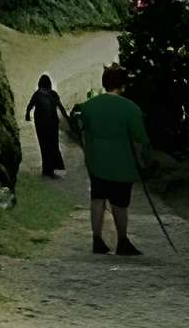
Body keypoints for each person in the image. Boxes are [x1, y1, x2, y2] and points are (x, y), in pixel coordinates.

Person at [74, 64, 150, 256]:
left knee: (97, 198)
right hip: (122, 163)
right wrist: (143, 161)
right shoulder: (131, 109)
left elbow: (83, 133)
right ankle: (122, 241)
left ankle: (97, 239)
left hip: (96, 161)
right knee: (120, 203)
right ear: (123, 85)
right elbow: (141, 139)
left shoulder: (89, 107)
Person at [24, 73, 68, 177]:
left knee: (44, 147)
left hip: (41, 125)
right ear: (49, 84)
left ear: (40, 84)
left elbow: (30, 106)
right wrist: (67, 117)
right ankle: (58, 170)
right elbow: (61, 107)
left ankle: (47, 170)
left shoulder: (37, 94)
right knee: (54, 146)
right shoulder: (53, 94)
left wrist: (27, 115)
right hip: (53, 123)